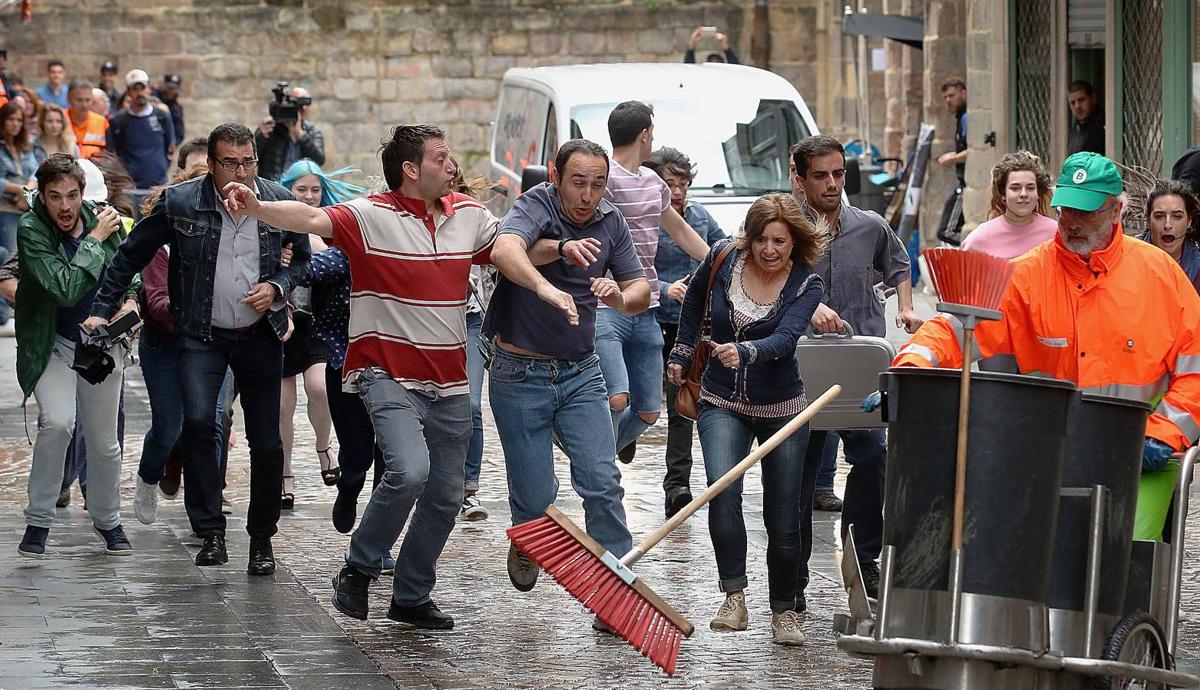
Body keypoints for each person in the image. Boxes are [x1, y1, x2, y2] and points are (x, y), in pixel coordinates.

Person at [223, 124, 501, 629]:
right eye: (441, 157)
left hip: (450, 379)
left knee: (445, 492)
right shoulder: (369, 214)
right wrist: (258, 208)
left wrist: (559, 252)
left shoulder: (469, 215)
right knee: (409, 472)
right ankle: (358, 567)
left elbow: (511, 249)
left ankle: (411, 595)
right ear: (411, 169)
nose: (452, 165)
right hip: (384, 372)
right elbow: (308, 216)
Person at [893, 152, 1200, 503]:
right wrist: (909, 372)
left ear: (1117, 211)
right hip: (1050, 456)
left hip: (1139, 456)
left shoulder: (1159, 273)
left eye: (1086, 211)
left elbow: (1196, 367)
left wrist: (1165, 433)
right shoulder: (1027, 275)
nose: (1072, 222)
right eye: (1065, 210)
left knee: (1130, 554)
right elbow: (957, 327)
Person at [87, 122, 312, 576]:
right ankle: (210, 532)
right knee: (199, 424)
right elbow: (129, 254)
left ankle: (261, 539)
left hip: (259, 333)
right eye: (230, 162)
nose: (240, 171)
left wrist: (278, 285)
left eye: (248, 161)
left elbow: (303, 259)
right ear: (210, 164)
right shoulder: (180, 203)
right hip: (201, 335)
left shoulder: (273, 202)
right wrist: (100, 309)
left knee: (267, 441)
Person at [486, 139, 648, 617]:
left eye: (598, 184)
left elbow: (640, 287)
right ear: (555, 178)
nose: (588, 194)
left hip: (581, 373)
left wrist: (619, 295)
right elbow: (505, 249)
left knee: (602, 480)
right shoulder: (535, 204)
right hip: (519, 373)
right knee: (538, 496)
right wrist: (547, 283)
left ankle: (615, 593)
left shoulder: (611, 220)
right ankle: (527, 531)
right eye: (578, 182)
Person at [667, 193, 825, 645]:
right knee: (722, 491)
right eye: (761, 240)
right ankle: (733, 596)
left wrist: (748, 351)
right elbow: (694, 301)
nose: (769, 250)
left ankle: (784, 610)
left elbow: (787, 337)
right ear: (748, 239)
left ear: (795, 243)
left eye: (780, 241)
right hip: (720, 401)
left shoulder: (806, 285)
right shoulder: (722, 258)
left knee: (784, 514)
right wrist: (682, 352)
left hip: (783, 412)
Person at [793, 135, 920, 601]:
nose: (831, 183)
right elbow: (758, 283)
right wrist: (806, 310)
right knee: (800, 472)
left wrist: (905, 308)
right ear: (799, 178)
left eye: (838, 174)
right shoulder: (783, 230)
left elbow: (901, 264)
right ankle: (794, 575)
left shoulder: (869, 226)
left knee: (872, 458)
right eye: (821, 175)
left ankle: (863, 559)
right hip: (802, 368)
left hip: (860, 367)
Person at [16, 154, 138, 558]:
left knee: (104, 444)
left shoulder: (105, 219)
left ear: (82, 193)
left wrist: (130, 301)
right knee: (58, 422)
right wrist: (93, 242)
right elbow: (65, 288)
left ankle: (108, 521)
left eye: (71, 195)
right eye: (55, 197)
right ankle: (38, 521)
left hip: (100, 345)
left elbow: (130, 272)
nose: (65, 206)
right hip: (51, 341)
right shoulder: (31, 228)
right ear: (43, 198)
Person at [598, 101, 710, 465]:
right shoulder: (604, 179)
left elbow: (678, 229)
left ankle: (595, 459)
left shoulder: (652, 183)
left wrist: (717, 261)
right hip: (608, 306)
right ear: (645, 134)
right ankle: (598, 472)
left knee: (648, 412)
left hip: (645, 310)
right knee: (616, 399)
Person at [643, 146, 723, 517]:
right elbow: (628, 266)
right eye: (669, 183)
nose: (677, 191)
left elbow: (726, 253)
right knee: (634, 399)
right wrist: (663, 288)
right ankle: (625, 437)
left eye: (683, 183)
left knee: (681, 406)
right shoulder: (644, 218)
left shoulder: (700, 218)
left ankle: (677, 485)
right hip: (646, 320)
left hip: (688, 329)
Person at [276, 158, 340, 507]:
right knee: (283, 407)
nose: (310, 196)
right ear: (289, 189)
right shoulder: (275, 220)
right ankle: (285, 473)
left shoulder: (329, 225)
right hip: (281, 323)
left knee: (320, 388)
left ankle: (323, 447)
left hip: (315, 322)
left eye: (315, 189)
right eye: (302, 189)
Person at [452, 158, 493, 522]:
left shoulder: (474, 216)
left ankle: (468, 487)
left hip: (472, 321)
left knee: (471, 406)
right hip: (427, 323)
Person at [960, 150, 1058, 259]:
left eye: (1030, 188)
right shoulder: (979, 239)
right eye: (1015, 188)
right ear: (1003, 194)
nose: (1024, 194)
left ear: (1038, 193)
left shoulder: (1055, 233)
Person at [107, 69, 176, 195]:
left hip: (158, 186)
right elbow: (113, 153)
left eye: (142, 88)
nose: (140, 93)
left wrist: (161, 168)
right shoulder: (118, 121)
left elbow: (170, 147)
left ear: (149, 89)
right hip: (130, 189)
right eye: (135, 89)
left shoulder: (162, 116)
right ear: (128, 92)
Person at [0, 100, 36, 328]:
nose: (14, 124)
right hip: (5, 208)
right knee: (8, 258)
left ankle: (17, 310)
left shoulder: (25, 146)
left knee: (24, 258)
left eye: (18, 120)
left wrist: (29, 189)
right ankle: (4, 313)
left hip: (25, 206)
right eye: (10, 120)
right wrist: (20, 189)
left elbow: (35, 169)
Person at [1138, 179, 1200, 293]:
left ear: (1189, 221)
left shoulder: (1197, 267)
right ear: (1148, 220)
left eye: (1177, 216)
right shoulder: (1130, 257)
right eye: (1159, 216)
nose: (1167, 225)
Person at [255, 86, 324, 181]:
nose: (303, 108)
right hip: (272, 188)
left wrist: (301, 135)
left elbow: (319, 160)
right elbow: (253, 157)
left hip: (300, 188)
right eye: (298, 105)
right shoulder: (271, 129)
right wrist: (261, 136)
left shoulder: (312, 132)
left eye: (306, 104)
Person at [936, 77, 968, 244]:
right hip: (962, 184)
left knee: (947, 231)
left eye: (952, 95)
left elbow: (975, 151)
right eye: (945, 97)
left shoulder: (967, 118)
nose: (948, 100)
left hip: (967, 186)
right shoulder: (961, 118)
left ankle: (972, 249)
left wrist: (953, 158)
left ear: (964, 93)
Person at [67, 80, 108, 158]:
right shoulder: (59, 120)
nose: (84, 105)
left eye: (88, 100)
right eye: (79, 100)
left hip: (96, 168)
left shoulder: (102, 122)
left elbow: (109, 152)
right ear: (69, 99)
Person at [1067, 80, 1105, 156]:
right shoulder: (1076, 127)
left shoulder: (1103, 126)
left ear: (1093, 99)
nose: (1077, 106)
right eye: (1073, 103)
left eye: (1081, 100)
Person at [155, 74, 185, 146]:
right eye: (169, 87)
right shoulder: (155, 97)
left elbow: (179, 131)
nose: (170, 91)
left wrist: (173, 144)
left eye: (173, 88)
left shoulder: (176, 108)